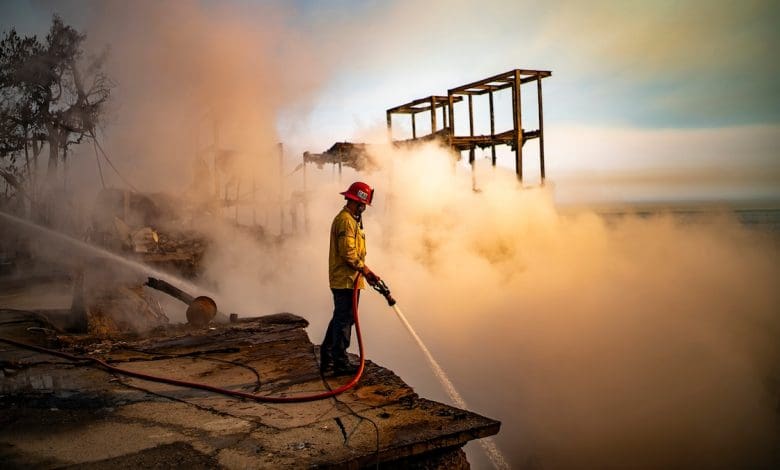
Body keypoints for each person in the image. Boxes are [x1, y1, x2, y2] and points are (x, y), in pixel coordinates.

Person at [320, 181, 381, 375]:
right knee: (344, 320)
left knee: (342, 318)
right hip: (345, 279)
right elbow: (348, 253)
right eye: (364, 205)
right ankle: (339, 362)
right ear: (359, 203)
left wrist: (364, 273)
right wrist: (366, 270)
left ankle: (328, 357)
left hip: (350, 278)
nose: (364, 209)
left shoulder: (351, 220)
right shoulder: (346, 221)